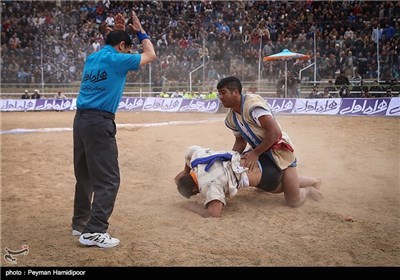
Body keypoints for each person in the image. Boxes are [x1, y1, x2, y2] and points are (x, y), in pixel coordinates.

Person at [72, 10, 156, 248]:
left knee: (85, 175)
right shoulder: (119, 59)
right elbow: (150, 54)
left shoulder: (93, 57)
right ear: (121, 46)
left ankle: (80, 223)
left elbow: (110, 46)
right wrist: (140, 31)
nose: (129, 54)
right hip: (99, 122)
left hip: (81, 121)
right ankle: (95, 230)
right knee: (109, 180)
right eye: (127, 48)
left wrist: (115, 34)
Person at [215, 76, 321, 213]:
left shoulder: (253, 106)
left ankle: (309, 188)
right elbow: (240, 141)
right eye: (219, 93)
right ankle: (307, 181)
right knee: (264, 184)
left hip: (280, 151)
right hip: (261, 151)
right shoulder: (231, 118)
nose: (220, 97)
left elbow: (275, 133)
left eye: (223, 93)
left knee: (293, 201)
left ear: (235, 92)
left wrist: (255, 153)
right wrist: (231, 158)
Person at [174, 145, 322, 218]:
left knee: (284, 191)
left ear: (195, 190)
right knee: (286, 180)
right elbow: (190, 150)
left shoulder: (208, 185)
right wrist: (186, 170)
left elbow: (214, 213)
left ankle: (307, 190)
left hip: (266, 177)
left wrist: (191, 206)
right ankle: (314, 180)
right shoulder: (197, 159)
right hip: (257, 156)